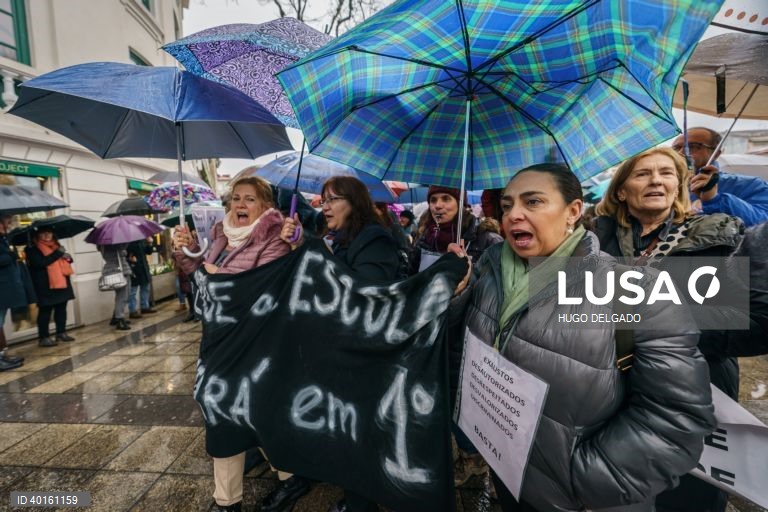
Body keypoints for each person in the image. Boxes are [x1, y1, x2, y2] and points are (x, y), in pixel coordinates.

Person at [448, 163, 715, 511]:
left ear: (573, 211)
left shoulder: (634, 290)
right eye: (507, 205)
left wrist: (583, 479)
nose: (514, 215)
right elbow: (461, 354)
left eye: (533, 202)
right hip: (510, 477)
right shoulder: (489, 272)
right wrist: (455, 295)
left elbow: (676, 418)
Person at [592, 147, 744, 512]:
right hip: (618, 384)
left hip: (696, 383)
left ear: (679, 186)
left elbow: (730, 321)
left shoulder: (717, 234)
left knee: (689, 492)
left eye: (667, 173)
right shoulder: (595, 239)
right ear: (621, 190)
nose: (657, 180)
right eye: (643, 174)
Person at [280, 176, 401, 512]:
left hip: (365, 356)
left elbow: (367, 292)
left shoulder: (375, 237)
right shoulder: (336, 237)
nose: (325, 206)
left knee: (359, 435)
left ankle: (362, 503)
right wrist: (303, 245)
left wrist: (318, 251)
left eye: (334, 199)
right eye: (323, 199)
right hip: (340, 351)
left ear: (355, 202)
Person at [174, 176, 290, 512]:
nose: (240, 204)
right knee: (222, 417)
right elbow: (200, 278)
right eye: (236, 198)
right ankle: (227, 501)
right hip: (219, 342)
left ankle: (290, 475)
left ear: (266, 206)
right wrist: (186, 252)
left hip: (254, 346)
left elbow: (262, 291)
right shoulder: (220, 235)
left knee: (254, 417)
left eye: (250, 199)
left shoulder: (275, 240)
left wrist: (214, 276)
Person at [671, 126, 768, 226]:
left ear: (716, 153)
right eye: (676, 148)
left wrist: (714, 199)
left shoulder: (751, 185)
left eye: (693, 146)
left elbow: (763, 223)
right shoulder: (665, 187)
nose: (681, 152)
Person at [410, 185, 503, 274]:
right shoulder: (423, 239)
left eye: (446, 199)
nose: (437, 205)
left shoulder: (488, 240)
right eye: (433, 200)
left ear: (460, 203)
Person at [25, 227, 76, 346]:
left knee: (61, 309)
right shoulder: (32, 248)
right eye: (43, 233)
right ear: (38, 235)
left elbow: (68, 261)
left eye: (50, 232)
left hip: (62, 282)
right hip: (45, 285)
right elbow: (40, 263)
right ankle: (43, 337)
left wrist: (67, 257)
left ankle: (61, 333)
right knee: (45, 311)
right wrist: (57, 254)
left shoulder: (56, 246)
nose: (47, 235)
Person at [0, 214, 30, 371]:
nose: (8, 224)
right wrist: (10, 256)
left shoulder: (4, 239)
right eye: (6, 222)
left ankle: (2, 356)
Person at [99, 244, 132, 331]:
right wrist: (124, 250)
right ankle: (119, 319)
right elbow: (122, 250)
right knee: (123, 295)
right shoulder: (116, 243)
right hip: (120, 270)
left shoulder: (102, 244)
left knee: (121, 295)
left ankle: (116, 316)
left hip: (112, 270)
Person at [127, 237, 156, 319]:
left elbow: (149, 252)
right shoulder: (128, 241)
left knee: (145, 287)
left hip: (143, 268)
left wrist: (149, 243)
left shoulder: (142, 240)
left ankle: (145, 306)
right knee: (133, 290)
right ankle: (132, 310)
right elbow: (125, 255)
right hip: (134, 268)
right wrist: (130, 259)